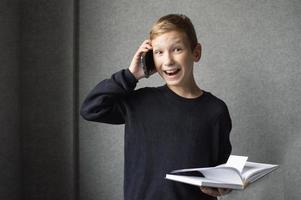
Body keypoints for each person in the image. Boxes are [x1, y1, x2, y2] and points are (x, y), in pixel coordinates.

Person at [80, 14, 232, 200]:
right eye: (159, 52)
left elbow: (218, 171)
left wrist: (223, 186)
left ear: (196, 52)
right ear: (150, 59)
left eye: (177, 49)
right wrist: (130, 75)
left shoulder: (216, 111)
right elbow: (91, 108)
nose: (167, 60)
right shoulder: (139, 103)